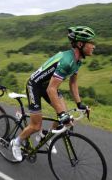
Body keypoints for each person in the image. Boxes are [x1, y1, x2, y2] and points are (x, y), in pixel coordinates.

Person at [11, 26, 96, 161]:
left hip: (48, 86)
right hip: (35, 85)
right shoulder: (67, 61)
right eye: (91, 43)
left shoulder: (77, 61)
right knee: (36, 125)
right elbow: (51, 90)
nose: (94, 46)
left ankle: (44, 137)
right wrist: (61, 114)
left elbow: (73, 83)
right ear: (80, 44)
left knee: (64, 114)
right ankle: (16, 142)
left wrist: (79, 104)